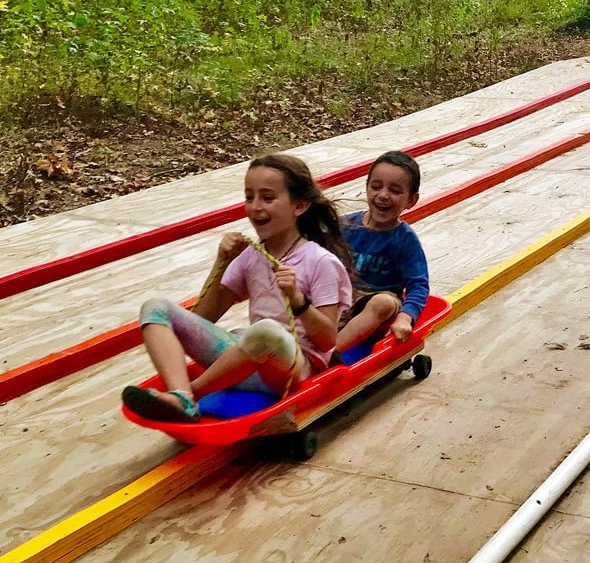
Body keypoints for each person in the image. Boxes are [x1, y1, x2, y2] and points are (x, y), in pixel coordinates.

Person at [122, 153, 353, 423]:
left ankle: (190, 395)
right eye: (249, 197)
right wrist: (221, 262)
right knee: (155, 308)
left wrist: (298, 300)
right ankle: (179, 395)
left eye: (267, 198)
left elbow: (327, 340)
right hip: (247, 365)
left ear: (299, 205)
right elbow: (202, 319)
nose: (255, 207)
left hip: (293, 371)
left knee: (265, 332)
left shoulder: (320, 261)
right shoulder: (251, 256)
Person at [335, 150, 429, 354]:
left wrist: (405, 318)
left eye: (395, 191)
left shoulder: (404, 239)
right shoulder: (345, 226)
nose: (383, 195)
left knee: (383, 303)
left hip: (377, 308)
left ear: (411, 201)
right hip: (341, 300)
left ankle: (329, 354)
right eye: (376, 187)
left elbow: (418, 285)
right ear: (367, 187)